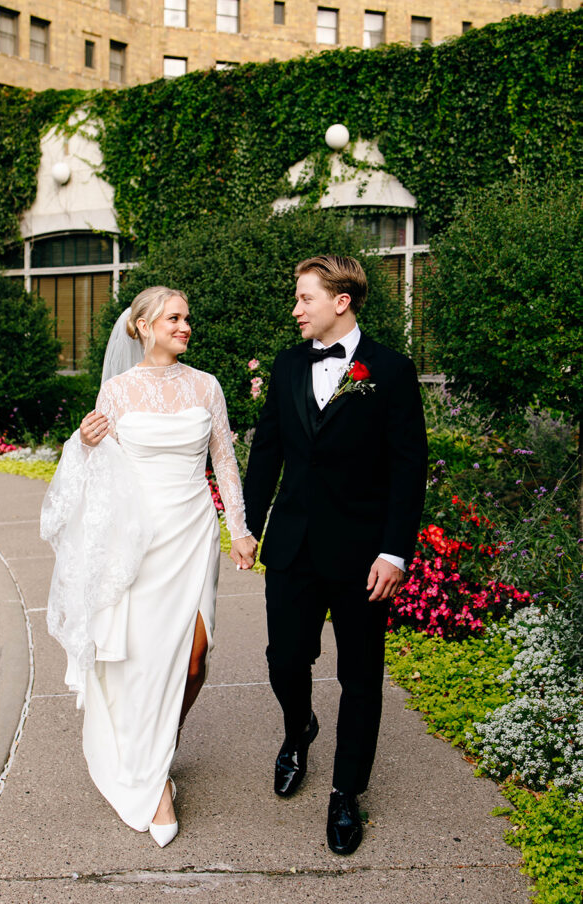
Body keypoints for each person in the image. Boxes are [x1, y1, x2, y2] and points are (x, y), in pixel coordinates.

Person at [43, 286, 256, 847]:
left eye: (188, 317)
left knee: (194, 659)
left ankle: (157, 745)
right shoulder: (115, 392)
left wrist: (240, 529)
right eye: (174, 317)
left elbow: (225, 461)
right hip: (136, 539)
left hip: (192, 534)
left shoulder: (205, 385)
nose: (186, 325)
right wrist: (84, 444)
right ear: (142, 326)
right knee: (140, 659)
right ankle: (154, 770)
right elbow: (95, 470)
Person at [243, 255, 427, 855]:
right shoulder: (288, 364)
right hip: (292, 546)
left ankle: (346, 793)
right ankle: (298, 731)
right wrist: (245, 525)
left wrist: (394, 552)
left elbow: (408, 470)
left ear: (340, 302)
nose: (295, 310)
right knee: (283, 660)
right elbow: (267, 451)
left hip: (362, 557)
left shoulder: (392, 372)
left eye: (305, 299)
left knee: (361, 678)